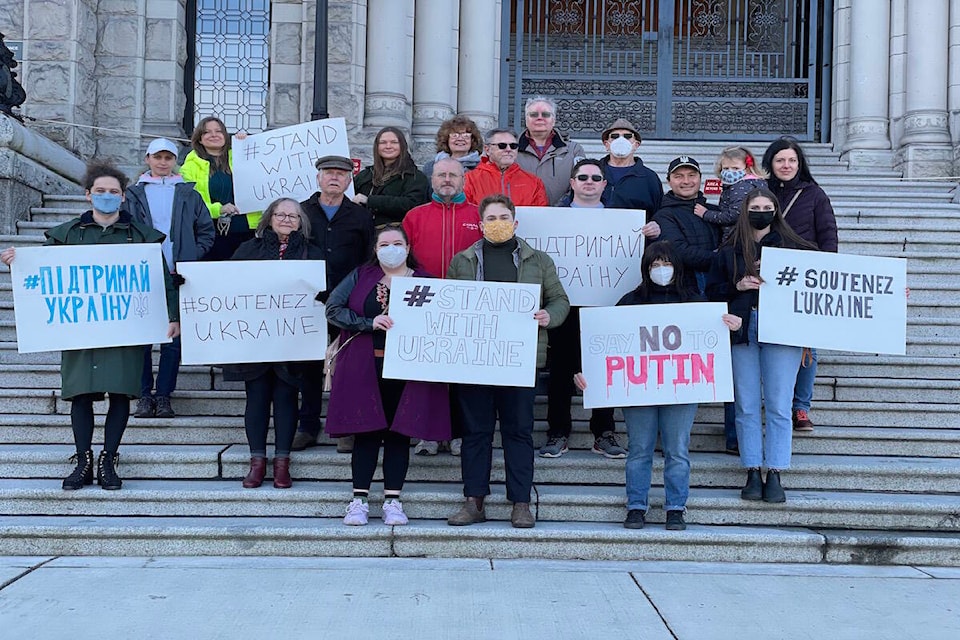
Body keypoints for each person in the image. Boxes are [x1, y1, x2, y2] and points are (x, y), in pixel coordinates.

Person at [1, 161, 180, 491]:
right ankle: (83, 460)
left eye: (113, 192)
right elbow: (43, 270)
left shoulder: (141, 236)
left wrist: (172, 316)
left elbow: (161, 279)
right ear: (88, 195)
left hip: (126, 329)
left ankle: (109, 459)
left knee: (120, 395)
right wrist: (18, 259)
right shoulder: (67, 233)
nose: (107, 196)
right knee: (81, 395)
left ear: (123, 197)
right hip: (80, 330)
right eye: (101, 192)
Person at [575, 241, 741, 530]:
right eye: (654, 265)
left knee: (677, 449)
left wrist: (731, 328)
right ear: (646, 269)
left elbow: (713, 345)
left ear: (677, 267)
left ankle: (676, 507)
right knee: (640, 448)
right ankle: (636, 505)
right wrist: (587, 372)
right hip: (639, 390)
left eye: (666, 263)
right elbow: (604, 343)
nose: (661, 270)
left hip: (681, 389)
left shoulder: (695, 302)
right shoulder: (630, 301)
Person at [446, 194, 570, 529]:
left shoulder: (538, 260)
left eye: (504, 217)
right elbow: (450, 305)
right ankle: (474, 501)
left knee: (518, 432)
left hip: (520, 359)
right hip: (475, 360)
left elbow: (560, 299)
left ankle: (520, 503)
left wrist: (550, 315)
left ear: (515, 222)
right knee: (475, 433)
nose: (497, 223)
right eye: (491, 218)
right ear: (481, 222)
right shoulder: (463, 261)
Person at [325, 225, 451, 525]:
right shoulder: (360, 277)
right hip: (365, 365)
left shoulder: (425, 282)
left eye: (397, 243)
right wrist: (368, 323)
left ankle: (393, 500)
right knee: (366, 431)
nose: (391, 249)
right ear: (375, 249)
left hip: (409, 370)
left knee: (399, 432)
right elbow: (333, 308)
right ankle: (359, 500)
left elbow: (445, 318)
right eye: (384, 244)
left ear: (408, 248)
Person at [706, 189, 816, 504]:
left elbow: (824, 284)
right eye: (756, 207)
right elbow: (711, 291)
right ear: (745, 211)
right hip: (743, 328)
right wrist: (736, 286)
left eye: (768, 207)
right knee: (746, 404)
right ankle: (752, 469)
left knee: (780, 405)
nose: (762, 211)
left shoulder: (794, 249)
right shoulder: (728, 251)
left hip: (783, 331)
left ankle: (777, 471)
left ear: (776, 211)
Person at [224, 198, 324, 490]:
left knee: (286, 399)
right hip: (255, 339)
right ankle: (257, 462)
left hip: (293, 339)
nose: (286, 220)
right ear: (268, 218)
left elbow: (323, 289)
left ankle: (282, 463)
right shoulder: (248, 250)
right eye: (280, 214)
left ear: (301, 222)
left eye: (293, 216)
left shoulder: (311, 253)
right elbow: (226, 284)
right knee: (256, 398)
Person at [540, 159, 626, 459]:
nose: (589, 182)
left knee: (603, 370)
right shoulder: (552, 219)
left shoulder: (622, 221)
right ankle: (558, 431)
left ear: (604, 184)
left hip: (605, 305)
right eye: (583, 177)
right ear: (573, 183)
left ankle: (604, 431)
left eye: (596, 177)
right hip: (565, 305)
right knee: (561, 370)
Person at [124, 137, 215, 419]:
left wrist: (189, 256)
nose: (163, 163)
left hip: (177, 274)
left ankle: (163, 395)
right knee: (141, 338)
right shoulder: (133, 193)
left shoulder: (188, 193)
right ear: (148, 159)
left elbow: (206, 230)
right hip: (144, 274)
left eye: (168, 158)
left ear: (174, 161)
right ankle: (143, 394)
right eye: (157, 157)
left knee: (172, 340)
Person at [293, 155, 376, 452]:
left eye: (341, 174)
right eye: (329, 173)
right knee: (309, 365)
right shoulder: (302, 211)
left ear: (348, 180)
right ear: (318, 177)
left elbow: (368, 258)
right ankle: (307, 425)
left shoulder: (361, 216)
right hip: (308, 300)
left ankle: (345, 427)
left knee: (348, 366)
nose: (334, 178)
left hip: (347, 302)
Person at [402, 157, 482, 457]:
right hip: (425, 304)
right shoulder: (414, 216)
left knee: (463, 375)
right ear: (432, 180)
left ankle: (460, 432)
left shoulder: (479, 214)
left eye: (453, 175)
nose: (447, 180)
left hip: (468, 305)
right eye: (441, 175)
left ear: (463, 180)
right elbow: (403, 260)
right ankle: (429, 434)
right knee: (428, 375)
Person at [762, 137, 839, 434]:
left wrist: (828, 269)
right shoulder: (760, 191)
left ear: (800, 163)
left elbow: (828, 233)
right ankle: (774, 402)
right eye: (780, 160)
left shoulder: (815, 194)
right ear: (771, 163)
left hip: (806, 277)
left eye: (791, 160)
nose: (786, 165)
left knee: (807, 346)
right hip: (767, 275)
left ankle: (800, 407)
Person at [180, 117, 257, 261]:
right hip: (210, 234)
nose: (214, 135)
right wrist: (218, 210)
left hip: (247, 232)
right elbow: (190, 204)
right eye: (207, 132)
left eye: (218, 131)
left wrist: (247, 143)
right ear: (200, 139)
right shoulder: (189, 167)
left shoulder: (242, 156)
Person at [653, 156, 721, 295]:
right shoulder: (663, 215)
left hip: (720, 287)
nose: (686, 181)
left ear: (700, 178)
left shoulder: (714, 211)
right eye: (679, 176)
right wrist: (722, 258)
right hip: (685, 291)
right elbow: (679, 252)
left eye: (692, 175)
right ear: (669, 181)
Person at [351, 126, 430, 227]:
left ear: (402, 146)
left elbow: (412, 204)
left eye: (394, 142)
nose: (388, 146)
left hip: (396, 235)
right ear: (377, 147)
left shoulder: (415, 177)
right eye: (383, 142)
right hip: (363, 233)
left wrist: (370, 201)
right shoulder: (366, 174)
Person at [515, 95, 585, 205]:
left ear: (554, 120)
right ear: (526, 119)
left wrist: (559, 208)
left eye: (545, 114)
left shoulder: (573, 150)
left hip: (562, 215)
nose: (539, 118)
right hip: (521, 214)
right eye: (533, 114)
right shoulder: (511, 149)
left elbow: (581, 184)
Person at [596, 117, 664, 217]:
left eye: (627, 136)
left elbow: (658, 211)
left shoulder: (649, 178)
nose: (621, 140)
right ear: (606, 144)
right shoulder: (591, 173)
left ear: (636, 145)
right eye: (614, 136)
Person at [463, 128, 549, 206]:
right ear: (487, 149)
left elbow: (541, 216)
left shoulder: (534, 183)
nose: (508, 149)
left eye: (513, 146)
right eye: (502, 146)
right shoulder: (468, 180)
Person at [703, 146, 768, 243]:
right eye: (726, 168)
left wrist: (706, 214)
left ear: (747, 169)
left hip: (736, 239)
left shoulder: (741, 187)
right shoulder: (757, 183)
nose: (730, 172)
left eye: (735, 168)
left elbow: (734, 215)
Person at [421, 115, 484, 182]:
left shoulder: (482, 169)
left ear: (472, 140)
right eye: (454, 135)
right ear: (446, 139)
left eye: (466, 136)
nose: (460, 139)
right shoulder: (430, 168)